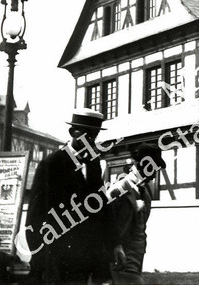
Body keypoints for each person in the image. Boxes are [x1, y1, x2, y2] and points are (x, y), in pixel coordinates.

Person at [25, 108, 125, 284]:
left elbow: (103, 207)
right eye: (87, 135)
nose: (91, 141)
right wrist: (41, 258)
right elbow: (35, 216)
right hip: (58, 256)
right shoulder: (51, 165)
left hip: (89, 256)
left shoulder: (93, 164)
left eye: (94, 136)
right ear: (73, 132)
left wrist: (115, 244)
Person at [108, 142, 166, 285]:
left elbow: (141, 225)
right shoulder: (118, 190)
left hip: (137, 259)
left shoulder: (146, 193)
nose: (154, 174)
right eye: (153, 168)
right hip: (120, 260)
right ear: (142, 165)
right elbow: (107, 225)